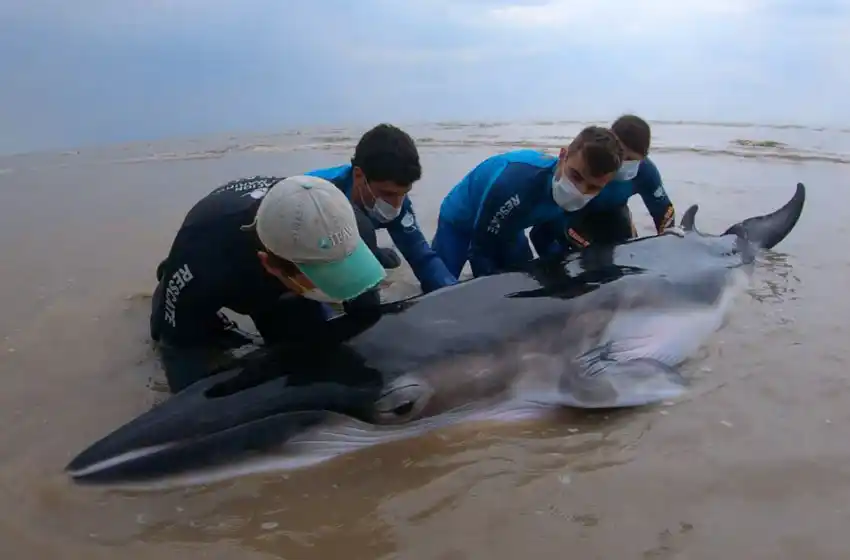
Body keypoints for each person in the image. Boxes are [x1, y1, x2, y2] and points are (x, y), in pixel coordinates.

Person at [149, 174, 390, 393]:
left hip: (272, 262)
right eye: (325, 276)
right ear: (270, 264)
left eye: (343, 268)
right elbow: (179, 351)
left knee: (303, 353)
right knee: (172, 335)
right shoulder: (204, 260)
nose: (340, 286)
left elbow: (365, 316)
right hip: (220, 253)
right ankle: (167, 274)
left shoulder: (352, 226)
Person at [430, 125, 624, 278]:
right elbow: (480, 249)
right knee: (441, 285)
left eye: (593, 188)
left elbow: (543, 237)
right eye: (576, 176)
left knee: (526, 279)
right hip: (460, 220)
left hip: (512, 225)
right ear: (562, 156)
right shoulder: (516, 181)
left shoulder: (573, 197)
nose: (580, 191)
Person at [304, 123, 457, 293]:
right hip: (303, 231)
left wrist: (452, 293)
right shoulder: (317, 198)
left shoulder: (398, 201)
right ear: (358, 176)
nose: (395, 205)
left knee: (390, 263)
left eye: (404, 193)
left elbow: (422, 257)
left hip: (358, 234)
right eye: (387, 194)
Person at [529, 114, 676, 257]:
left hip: (616, 215)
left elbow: (663, 209)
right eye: (621, 154)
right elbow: (556, 219)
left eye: (631, 159)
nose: (623, 162)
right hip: (574, 219)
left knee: (626, 248)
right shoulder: (589, 165)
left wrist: (668, 242)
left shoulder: (645, 171)